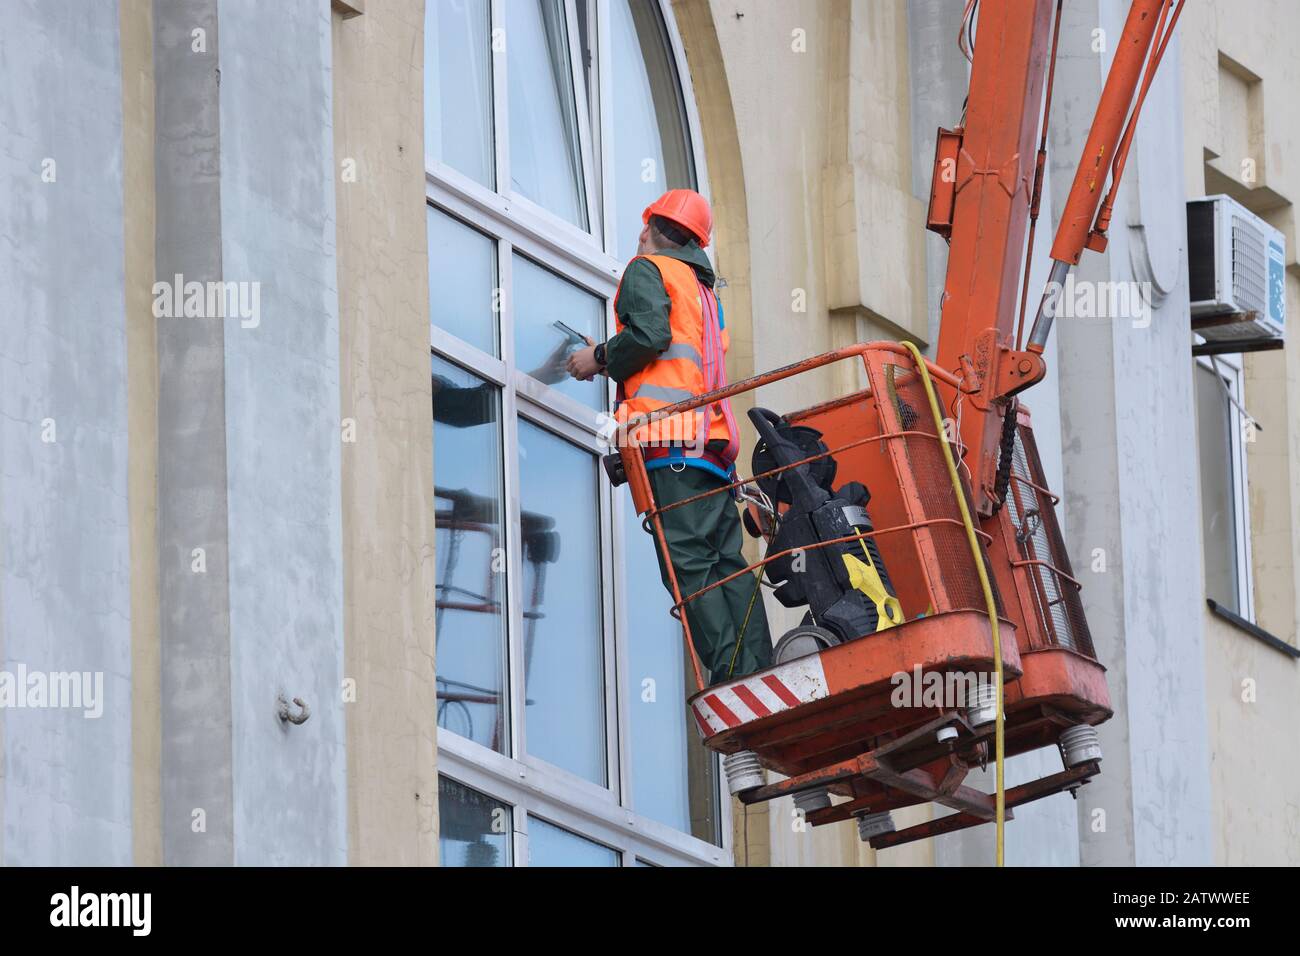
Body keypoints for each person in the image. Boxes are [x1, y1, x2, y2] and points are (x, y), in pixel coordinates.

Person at [567, 189, 773, 684]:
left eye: (645, 226)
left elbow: (650, 337)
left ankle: (729, 676)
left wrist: (596, 358)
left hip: (670, 449)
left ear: (657, 229)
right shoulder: (705, 295)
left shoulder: (649, 270)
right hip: (712, 453)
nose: (638, 235)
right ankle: (759, 670)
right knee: (728, 563)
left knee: (689, 568)